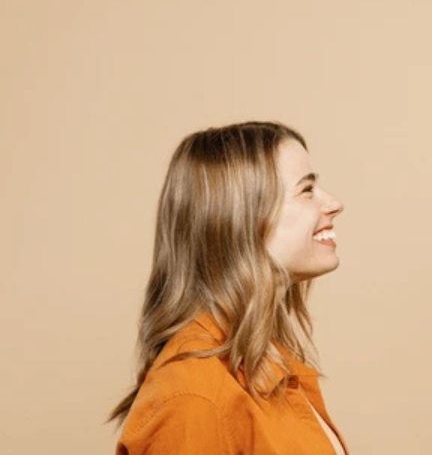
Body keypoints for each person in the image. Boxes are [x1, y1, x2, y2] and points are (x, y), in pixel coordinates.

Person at [109, 121, 348, 454]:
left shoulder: (268, 363)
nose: (334, 203)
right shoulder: (194, 396)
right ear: (240, 217)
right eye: (306, 190)